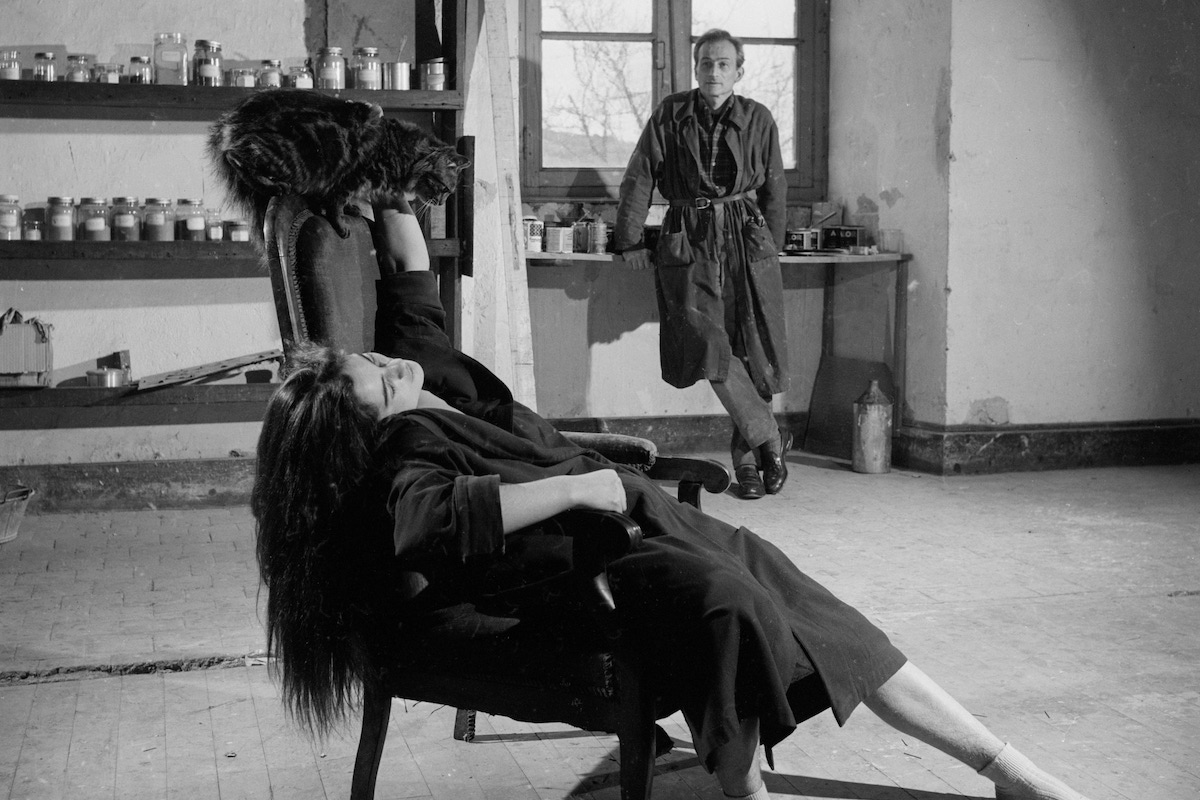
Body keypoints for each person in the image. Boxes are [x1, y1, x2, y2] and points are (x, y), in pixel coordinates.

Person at [251, 199, 1094, 800]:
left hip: (645, 516)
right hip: (589, 561)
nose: (391, 366)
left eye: (378, 358)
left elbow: (407, 265)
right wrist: (584, 483)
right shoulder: (406, 449)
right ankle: (746, 789)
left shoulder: (424, 370)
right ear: (355, 423)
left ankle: (1006, 768)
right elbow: (432, 521)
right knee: (725, 601)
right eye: (376, 379)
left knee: (807, 600)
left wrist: (384, 173)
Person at [614, 28, 791, 501]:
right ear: (696, 68)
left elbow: (775, 191)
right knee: (709, 344)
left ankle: (749, 465)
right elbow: (639, 177)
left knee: (749, 347)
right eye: (706, 63)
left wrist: (766, 251)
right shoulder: (670, 113)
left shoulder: (759, 118)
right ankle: (769, 437)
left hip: (745, 235)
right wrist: (629, 240)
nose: (714, 72)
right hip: (689, 237)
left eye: (724, 64)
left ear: (739, 70)